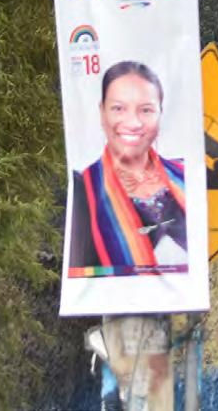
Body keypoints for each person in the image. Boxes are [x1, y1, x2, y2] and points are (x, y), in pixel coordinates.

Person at [68, 60, 188, 277]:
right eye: (119, 109)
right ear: (102, 112)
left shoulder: (185, 177)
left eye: (146, 110)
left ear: (160, 114)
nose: (133, 123)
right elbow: (81, 279)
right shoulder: (83, 190)